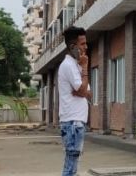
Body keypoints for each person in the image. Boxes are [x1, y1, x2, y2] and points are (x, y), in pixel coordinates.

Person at [58, 26, 92, 176]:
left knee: (72, 166)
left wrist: (81, 91)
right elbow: (84, 90)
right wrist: (85, 67)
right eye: (82, 44)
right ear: (73, 47)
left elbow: (88, 93)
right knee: (70, 168)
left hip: (75, 122)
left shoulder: (75, 65)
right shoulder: (69, 65)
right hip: (73, 122)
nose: (86, 47)